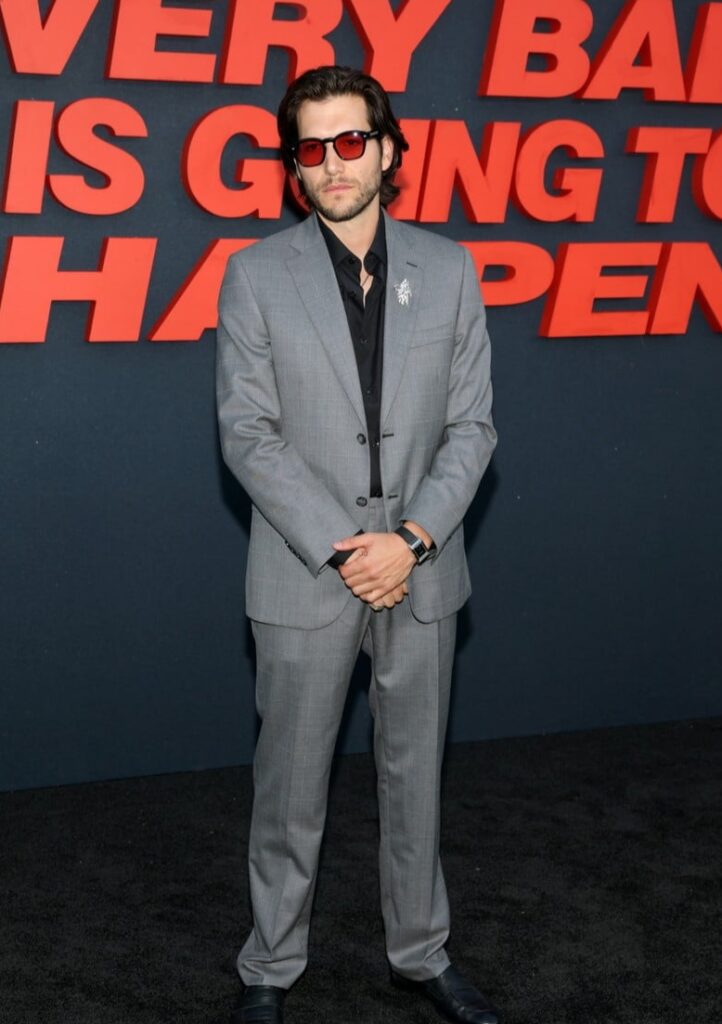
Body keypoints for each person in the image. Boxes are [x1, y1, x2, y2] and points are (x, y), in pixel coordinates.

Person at [216, 65, 498, 1024]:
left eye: (350, 141)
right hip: (307, 572)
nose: (333, 163)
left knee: (417, 781)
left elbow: (473, 430)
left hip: (422, 569)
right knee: (289, 786)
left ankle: (421, 954)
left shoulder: (450, 270)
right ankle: (268, 966)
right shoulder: (255, 275)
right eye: (312, 147)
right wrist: (349, 549)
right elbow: (248, 434)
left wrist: (409, 541)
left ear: (387, 150)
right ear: (294, 168)